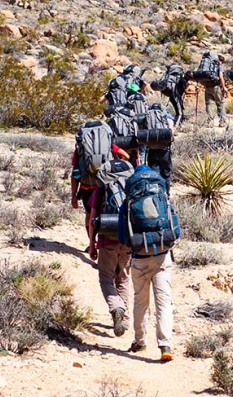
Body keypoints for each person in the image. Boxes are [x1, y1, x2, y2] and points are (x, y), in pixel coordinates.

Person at [118, 164, 176, 361]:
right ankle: (165, 344)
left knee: (140, 301)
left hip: (139, 258)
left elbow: (122, 235)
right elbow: (176, 230)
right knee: (164, 301)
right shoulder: (163, 197)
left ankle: (140, 342)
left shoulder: (129, 201)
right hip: (162, 255)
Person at [87, 169, 131, 338]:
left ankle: (115, 307)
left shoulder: (100, 190)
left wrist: (92, 244)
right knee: (123, 279)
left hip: (107, 241)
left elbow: (93, 219)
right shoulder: (130, 187)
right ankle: (124, 319)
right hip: (127, 241)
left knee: (106, 278)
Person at [71, 144, 129, 251]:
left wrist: (74, 194)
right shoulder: (107, 145)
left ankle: (92, 243)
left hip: (86, 187)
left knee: (90, 216)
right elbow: (126, 156)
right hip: (104, 185)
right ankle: (106, 242)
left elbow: (75, 172)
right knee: (107, 213)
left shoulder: (80, 149)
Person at [189, 52, 229, 128]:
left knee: (209, 104)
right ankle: (222, 122)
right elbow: (221, 77)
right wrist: (224, 87)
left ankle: (210, 122)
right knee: (220, 103)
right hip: (216, 87)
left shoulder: (206, 65)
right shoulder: (219, 66)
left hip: (207, 87)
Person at [144, 104, 176, 194]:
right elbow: (172, 132)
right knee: (166, 174)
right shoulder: (167, 117)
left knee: (154, 174)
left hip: (151, 150)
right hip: (165, 150)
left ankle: (156, 195)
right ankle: (167, 194)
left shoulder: (147, 117)